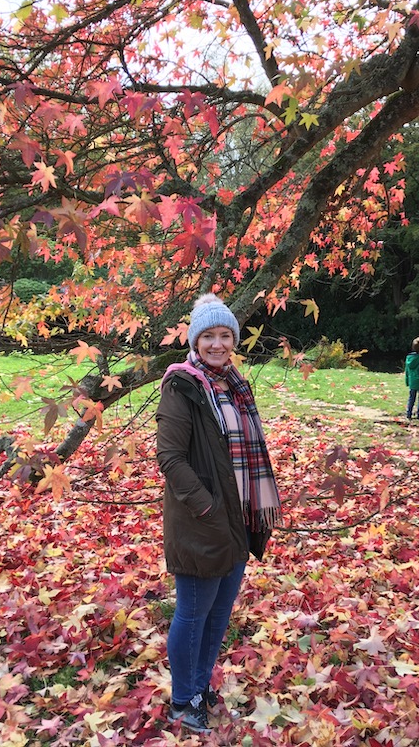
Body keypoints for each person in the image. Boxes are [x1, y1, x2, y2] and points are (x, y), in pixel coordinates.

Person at [156, 293, 282, 734]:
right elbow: (170, 458)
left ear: (234, 338)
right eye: (207, 335)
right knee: (193, 611)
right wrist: (207, 506)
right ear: (194, 339)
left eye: (224, 335)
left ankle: (200, 685)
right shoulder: (182, 385)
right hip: (203, 517)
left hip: (239, 514)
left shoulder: (234, 383)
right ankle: (181, 700)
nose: (217, 343)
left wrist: (237, 508)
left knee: (219, 611)